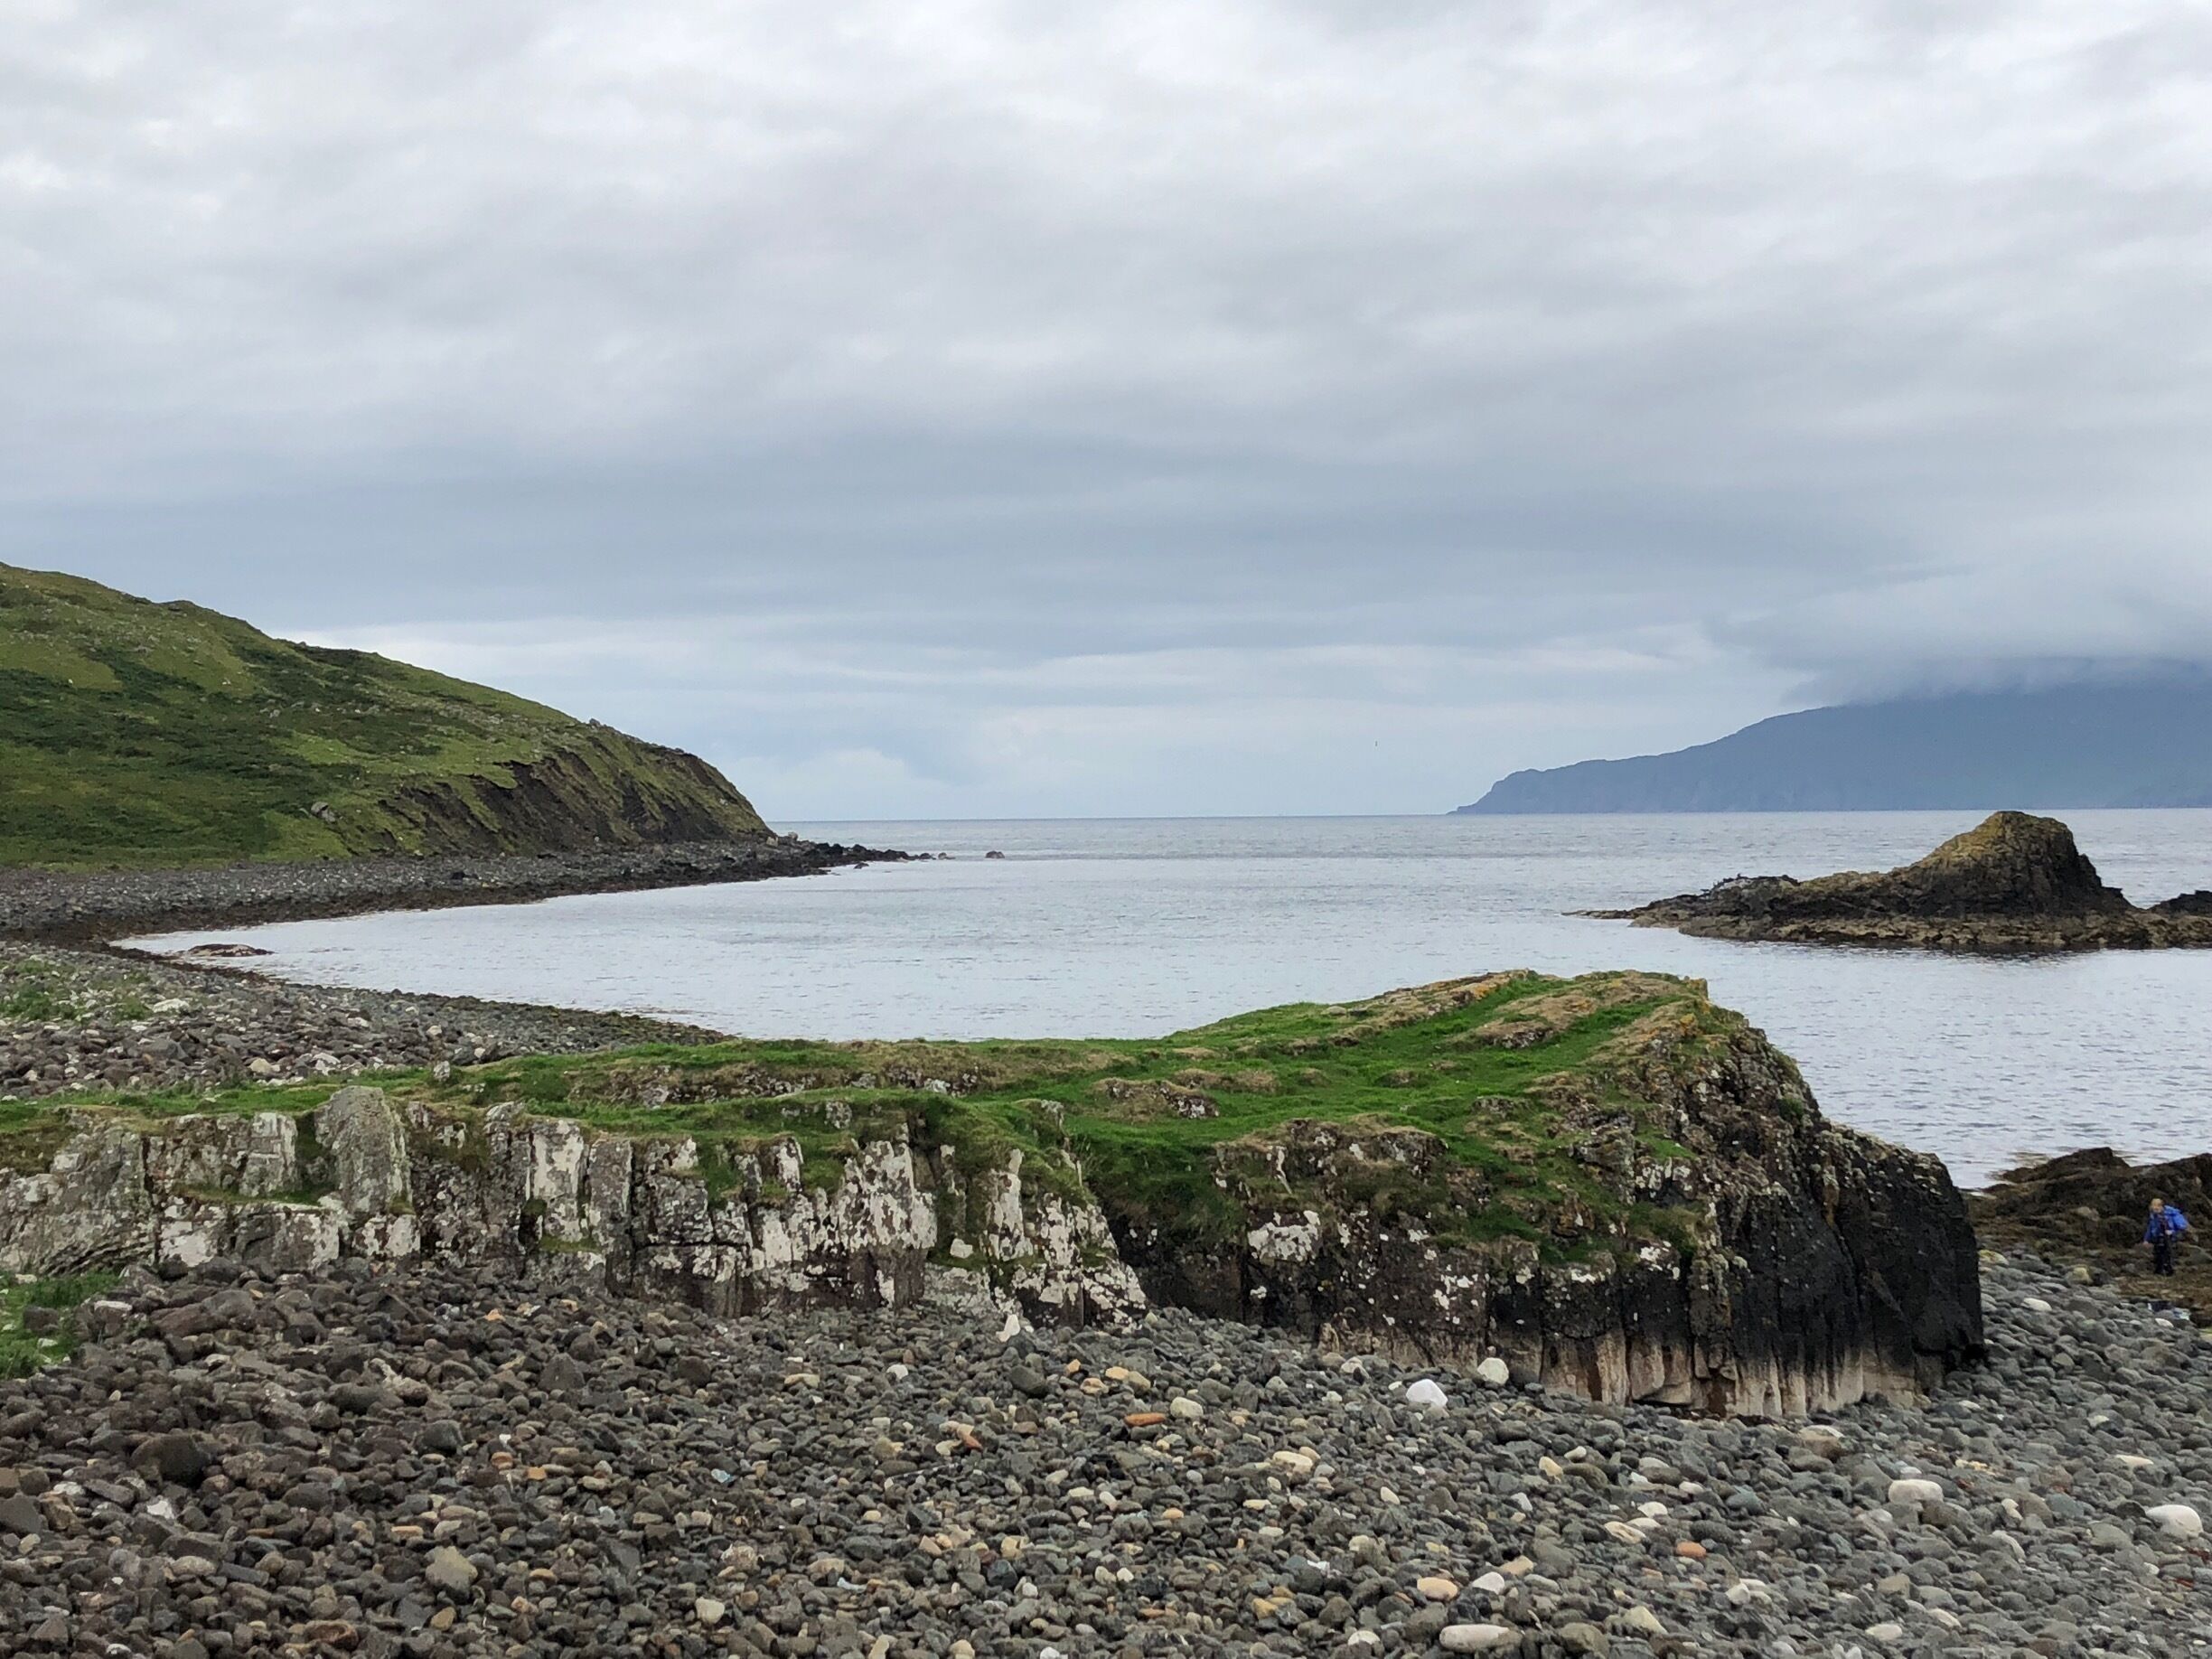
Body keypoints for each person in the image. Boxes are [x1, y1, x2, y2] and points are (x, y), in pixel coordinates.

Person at [2144, 1197, 2190, 1277]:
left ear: (2162, 1206)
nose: (2155, 1208)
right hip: (2158, 1238)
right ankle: (2159, 1270)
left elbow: (2181, 1227)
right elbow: (2150, 1228)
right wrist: (2146, 1239)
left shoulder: (2170, 1215)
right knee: (2158, 1253)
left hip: (2170, 1238)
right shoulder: (2153, 1216)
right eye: (2153, 1206)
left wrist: (2171, 1232)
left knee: (2168, 1254)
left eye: (2157, 1206)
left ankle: (2169, 1270)